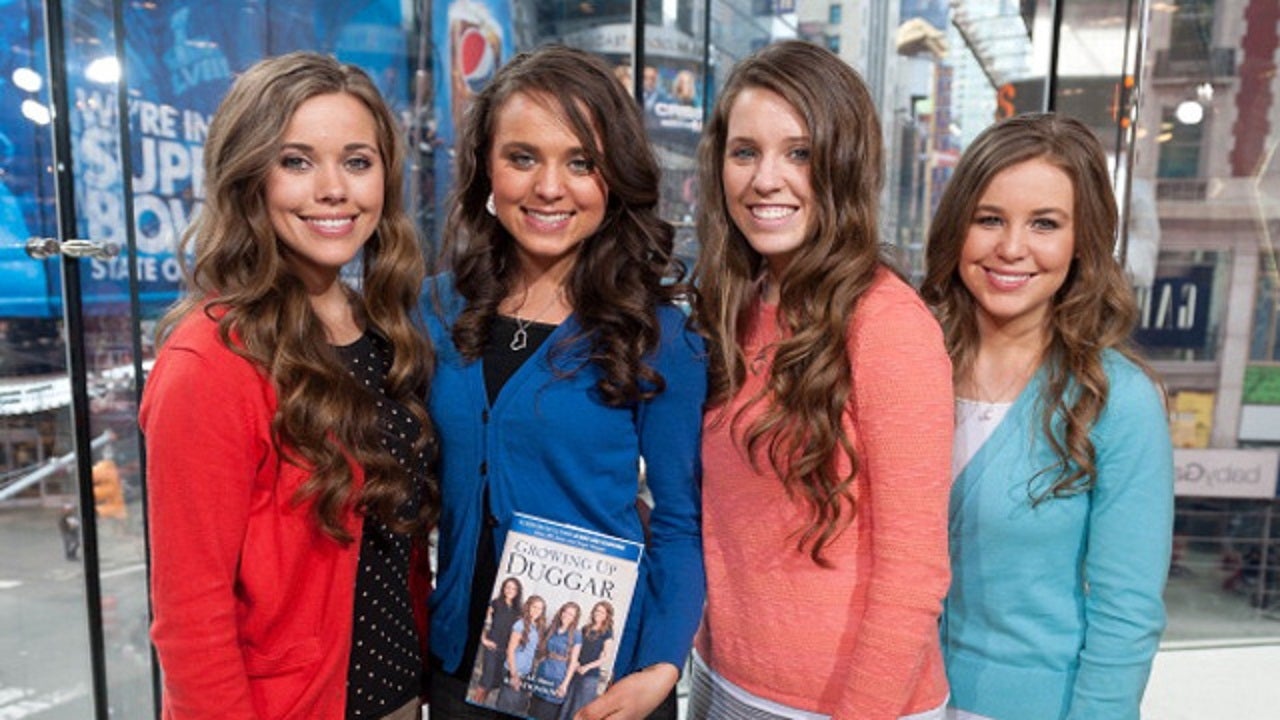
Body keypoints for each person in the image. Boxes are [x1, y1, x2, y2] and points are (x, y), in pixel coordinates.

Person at [139, 51, 436, 720]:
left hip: (400, 696)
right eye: (296, 162)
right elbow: (190, 615)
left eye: (357, 162)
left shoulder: (382, 331)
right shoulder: (209, 363)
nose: (333, 189)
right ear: (249, 177)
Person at [424, 43, 706, 720]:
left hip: (601, 686)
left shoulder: (660, 335)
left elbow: (679, 521)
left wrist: (662, 668)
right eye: (523, 158)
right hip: (459, 674)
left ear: (615, 178)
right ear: (486, 168)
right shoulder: (434, 309)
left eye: (581, 162)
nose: (550, 188)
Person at [689, 39, 953, 720]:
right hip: (723, 681)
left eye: (799, 153)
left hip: (849, 704)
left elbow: (915, 572)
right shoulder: (731, 307)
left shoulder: (887, 324)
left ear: (844, 164)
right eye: (745, 152)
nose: (765, 179)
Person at [920, 112, 1174, 719]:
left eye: (1045, 223)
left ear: (1082, 241)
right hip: (895, 699)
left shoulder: (1119, 399)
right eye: (989, 219)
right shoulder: (909, 364)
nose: (1012, 248)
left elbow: (1127, 612)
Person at [558, 601, 616, 720]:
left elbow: (606, 656)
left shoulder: (607, 632)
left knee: (579, 709)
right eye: (596, 610)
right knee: (566, 705)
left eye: (602, 612)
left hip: (590, 676)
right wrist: (575, 662)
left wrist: (587, 667)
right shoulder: (585, 629)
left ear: (607, 616)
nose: (598, 613)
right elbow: (576, 647)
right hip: (575, 672)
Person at [472, 577, 525, 704]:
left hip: (505, 650)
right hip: (492, 647)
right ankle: (474, 704)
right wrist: (484, 639)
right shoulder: (495, 604)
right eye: (508, 587)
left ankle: (481, 704)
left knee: (494, 682)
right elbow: (483, 621)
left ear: (517, 591)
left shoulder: (518, 610)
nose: (510, 590)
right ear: (503, 589)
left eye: (513, 588)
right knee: (486, 680)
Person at [494, 595, 548, 716]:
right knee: (505, 707)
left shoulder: (536, 627)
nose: (536, 611)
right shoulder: (520, 624)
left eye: (540, 608)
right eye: (534, 607)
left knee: (517, 708)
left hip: (526, 673)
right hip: (514, 670)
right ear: (528, 607)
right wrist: (514, 675)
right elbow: (510, 650)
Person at [528, 602, 582, 719]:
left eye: (571, 614)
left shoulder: (576, 635)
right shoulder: (552, 629)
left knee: (547, 712)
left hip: (558, 677)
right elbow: (541, 649)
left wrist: (565, 684)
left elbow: (573, 661)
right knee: (533, 709)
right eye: (565, 612)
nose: (566, 615)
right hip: (542, 673)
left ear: (575, 618)